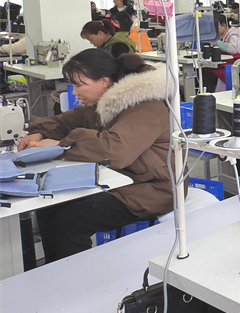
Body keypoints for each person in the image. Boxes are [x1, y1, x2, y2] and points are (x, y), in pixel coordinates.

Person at [18, 50, 174, 261]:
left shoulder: (146, 106)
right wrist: (39, 132)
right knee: (49, 206)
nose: (74, 92)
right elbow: (65, 122)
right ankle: (57, 269)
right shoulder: (101, 103)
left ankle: (76, 275)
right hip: (122, 179)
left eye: (79, 85)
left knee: (70, 218)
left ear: (104, 81)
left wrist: (61, 145)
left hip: (153, 188)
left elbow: (115, 150)